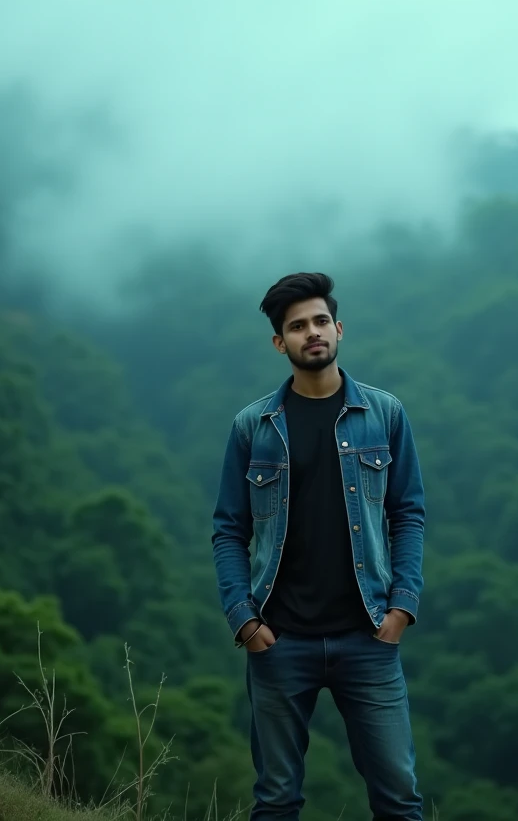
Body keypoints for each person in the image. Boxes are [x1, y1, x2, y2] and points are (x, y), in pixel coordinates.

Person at [212, 272, 425, 820]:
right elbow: (229, 529)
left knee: (399, 798)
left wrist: (402, 607)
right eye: (298, 326)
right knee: (277, 800)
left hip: (369, 636)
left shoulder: (385, 415)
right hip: (280, 640)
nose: (313, 333)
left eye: (321, 321)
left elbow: (408, 514)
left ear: (339, 329)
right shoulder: (252, 427)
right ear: (280, 342)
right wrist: (245, 620)